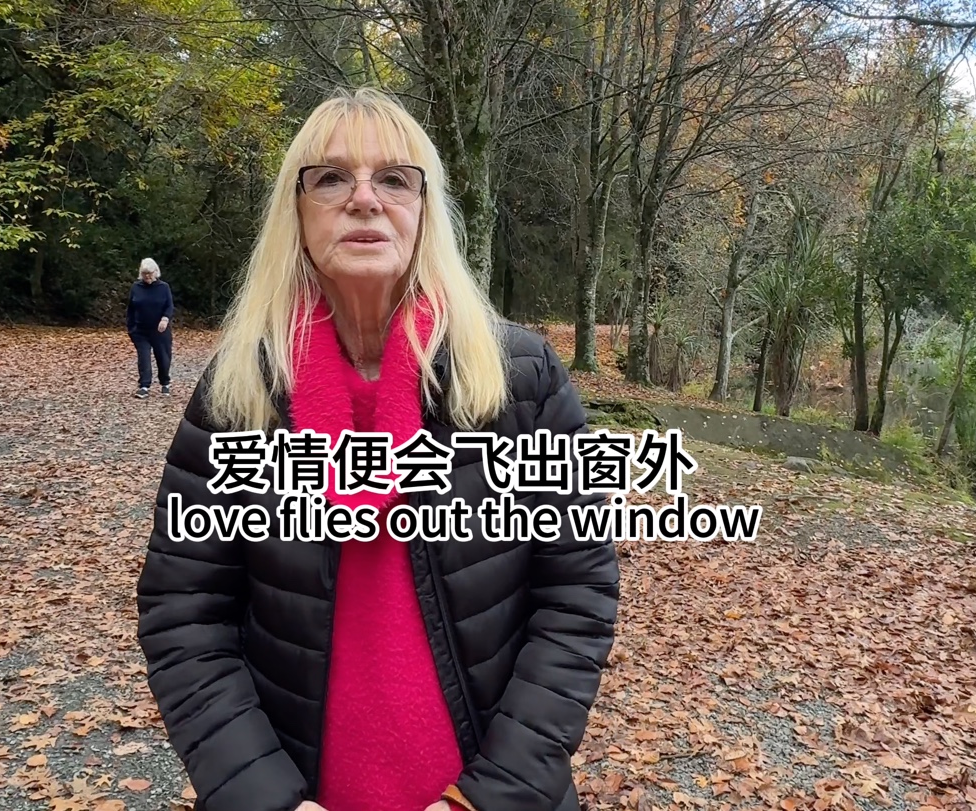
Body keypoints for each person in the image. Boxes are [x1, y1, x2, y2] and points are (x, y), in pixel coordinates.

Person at [135, 86, 620, 811]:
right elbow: (184, 609)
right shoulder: (240, 393)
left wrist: (489, 797)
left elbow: (577, 593)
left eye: (394, 178)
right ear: (296, 213)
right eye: (332, 177)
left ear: (425, 211)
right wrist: (265, 798)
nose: (364, 198)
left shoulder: (521, 379)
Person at [126, 257, 174, 398]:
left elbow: (169, 306)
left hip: (160, 330)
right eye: (144, 273)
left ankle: (165, 382)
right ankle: (144, 386)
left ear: (155, 272)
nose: (147, 276)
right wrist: (131, 328)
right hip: (140, 330)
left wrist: (165, 318)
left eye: (150, 273)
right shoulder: (136, 287)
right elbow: (130, 309)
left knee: (163, 358)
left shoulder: (163, 287)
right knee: (144, 358)